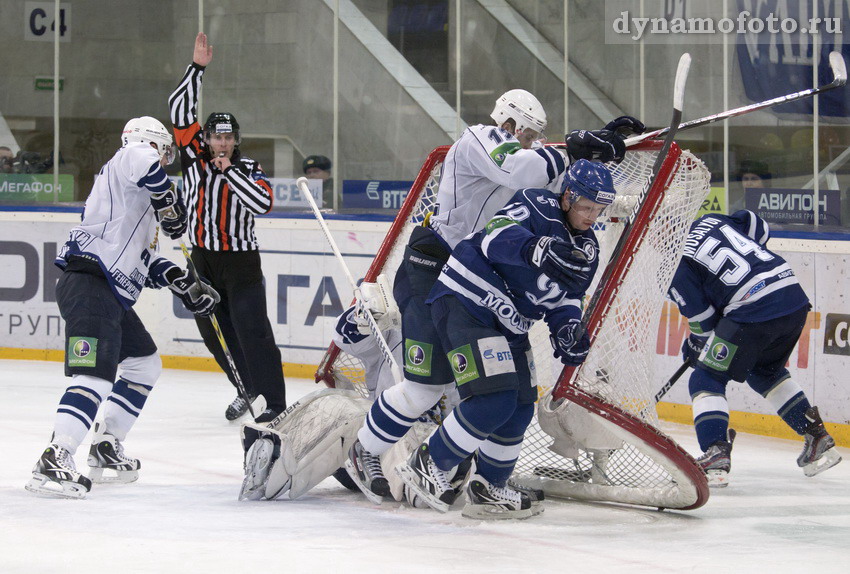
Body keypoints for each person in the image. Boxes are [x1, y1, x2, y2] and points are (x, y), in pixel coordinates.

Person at [345, 86, 644, 503]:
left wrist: (598, 149)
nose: (533, 143)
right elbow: (519, 170)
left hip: (486, 281)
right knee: (426, 387)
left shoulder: (532, 161)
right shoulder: (478, 140)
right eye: (527, 134)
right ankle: (364, 451)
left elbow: (573, 189)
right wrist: (574, 147)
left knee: (505, 395)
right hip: (436, 268)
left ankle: (489, 478)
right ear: (507, 123)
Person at [395, 159, 616, 519]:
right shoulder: (535, 203)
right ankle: (430, 461)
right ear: (567, 198)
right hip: (470, 302)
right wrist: (536, 248)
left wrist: (567, 327)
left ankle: (490, 488)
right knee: (493, 399)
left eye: (599, 209)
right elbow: (495, 235)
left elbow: (567, 297)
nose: (592, 216)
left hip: (511, 324)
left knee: (519, 406)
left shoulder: (588, 249)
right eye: (586, 206)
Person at [25, 117, 220, 499]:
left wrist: (183, 282)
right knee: (95, 377)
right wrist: (167, 200)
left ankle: (105, 446)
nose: (165, 161)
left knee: (145, 363)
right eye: (164, 152)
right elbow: (143, 161)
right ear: (151, 143)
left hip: (108, 291)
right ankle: (57, 454)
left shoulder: (138, 207)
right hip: (90, 283)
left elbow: (144, 265)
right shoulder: (129, 159)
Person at [669, 210, 842, 487]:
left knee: (706, 377)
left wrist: (695, 344)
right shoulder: (710, 220)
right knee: (764, 371)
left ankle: (715, 452)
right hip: (791, 295)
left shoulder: (674, 261)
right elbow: (755, 224)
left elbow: (704, 319)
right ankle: (816, 435)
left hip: (753, 309)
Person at [168, 32, 286, 423]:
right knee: (214, 331)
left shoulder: (247, 168)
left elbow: (263, 204)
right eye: (216, 136)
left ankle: (275, 401)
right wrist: (197, 68)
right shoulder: (192, 158)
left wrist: (231, 173)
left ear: (237, 141)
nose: (222, 143)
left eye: (228, 137)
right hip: (202, 259)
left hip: (240, 262)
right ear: (205, 139)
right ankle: (245, 387)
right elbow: (178, 109)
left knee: (253, 329)